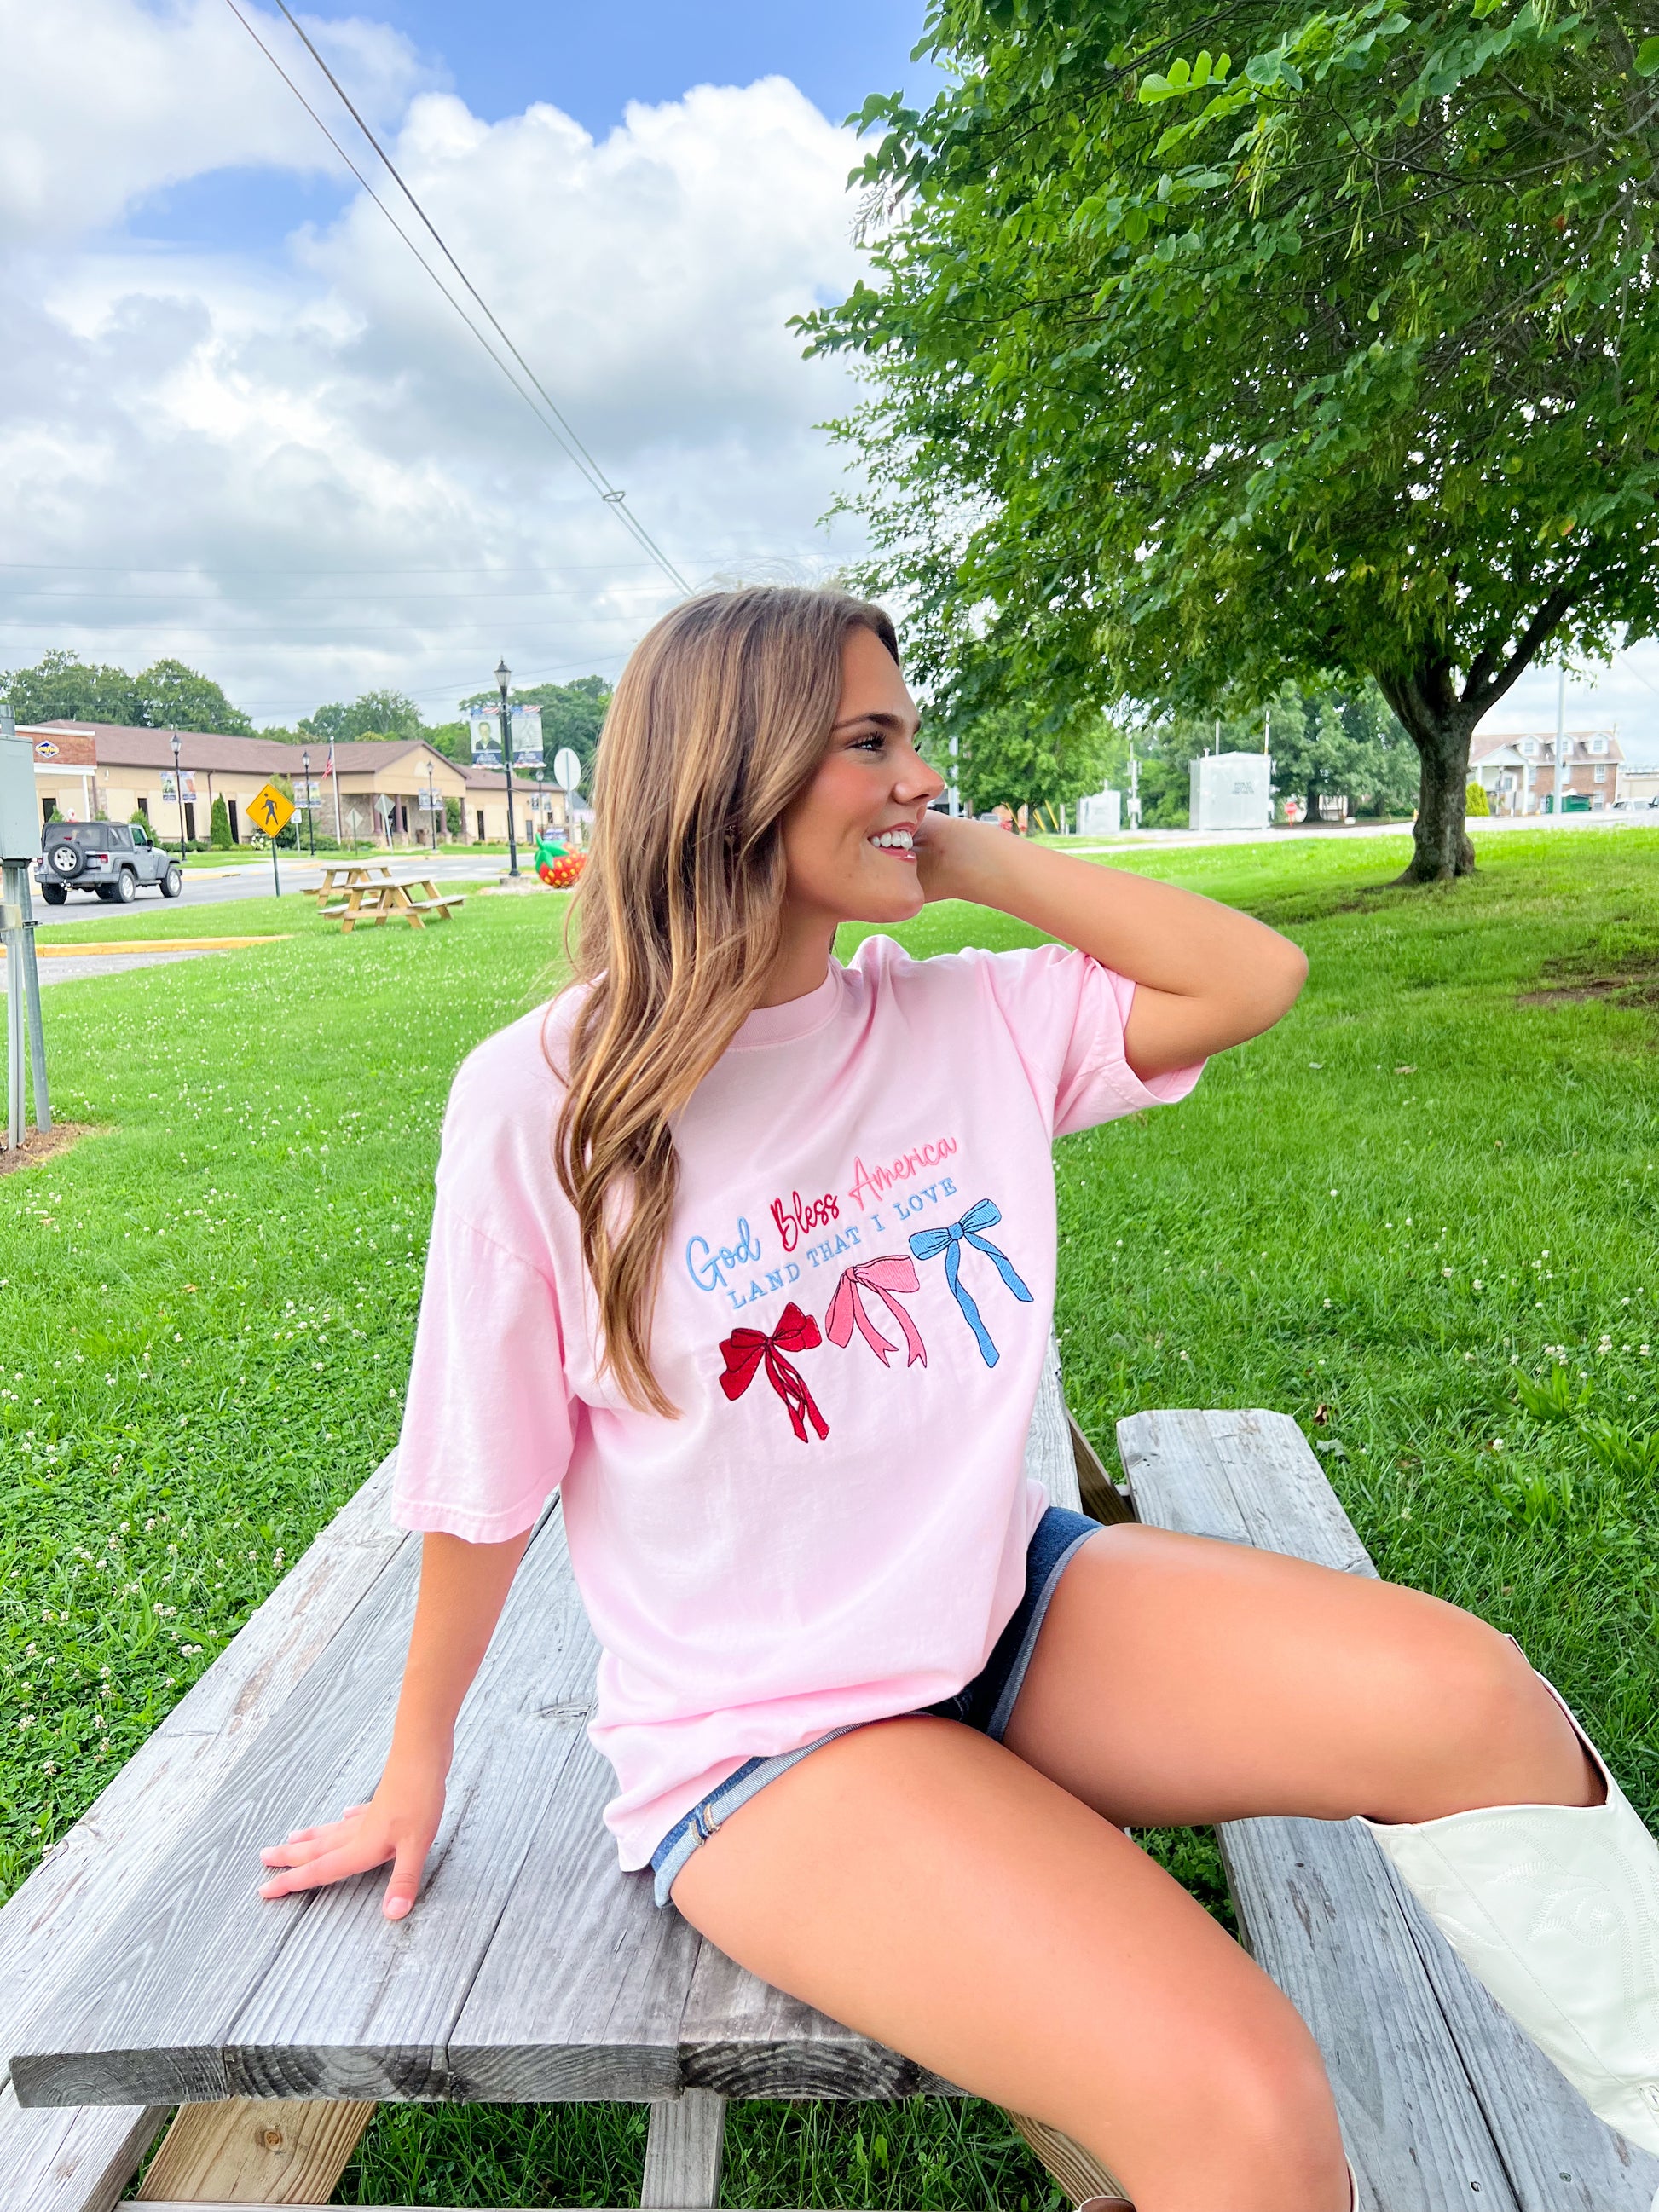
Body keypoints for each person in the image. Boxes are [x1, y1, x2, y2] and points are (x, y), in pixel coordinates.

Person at [258, 588, 1659, 2212]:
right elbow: (482, 1470)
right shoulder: (543, 1103)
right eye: (870, 743)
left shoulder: (963, 1018)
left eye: (913, 738)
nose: (917, 776)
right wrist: (415, 1764)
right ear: (731, 772)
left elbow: (1250, 973)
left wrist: (972, 857)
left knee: (1472, 1703)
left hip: (1005, 1613)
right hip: (775, 1734)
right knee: (1244, 2108)